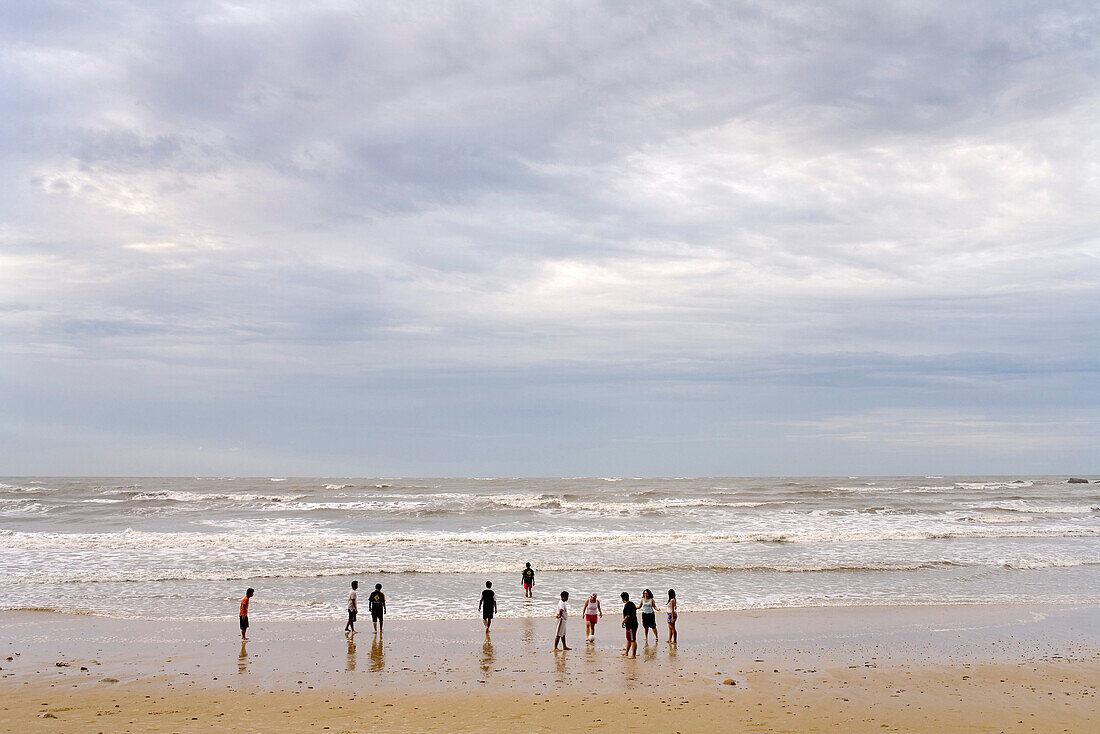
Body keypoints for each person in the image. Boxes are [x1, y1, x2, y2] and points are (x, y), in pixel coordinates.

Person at [621, 592, 638, 658]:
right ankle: (626, 653)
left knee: (633, 639)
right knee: (628, 639)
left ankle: (633, 655)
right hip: (632, 624)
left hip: (631, 625)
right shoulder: (632, 604)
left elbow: (627, 616)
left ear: (622, 599)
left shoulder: (627, 605)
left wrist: (623, 622)